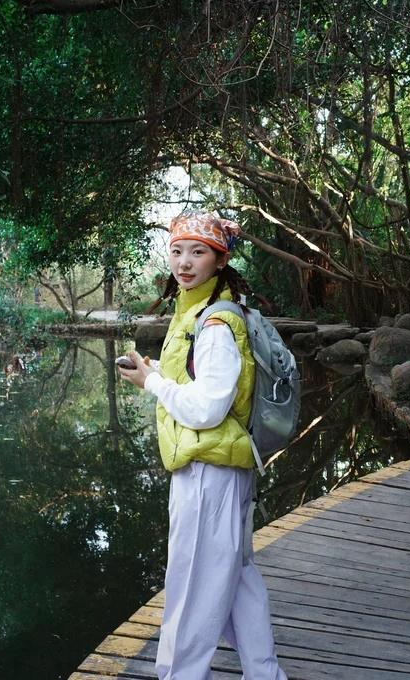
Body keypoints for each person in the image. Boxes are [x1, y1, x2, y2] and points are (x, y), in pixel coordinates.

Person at [118, 212, 287, 680]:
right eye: (177, 251)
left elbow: (208, 408)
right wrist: (157, 373)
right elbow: (203, 384)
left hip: (207, 472)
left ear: (220, 259)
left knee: (191, 584)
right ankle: (265, 674)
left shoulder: (214, 325)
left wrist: (153, 383)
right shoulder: (203, 311)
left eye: (198, 252)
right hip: (223, 467)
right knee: (238, 579)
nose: (184, 262)